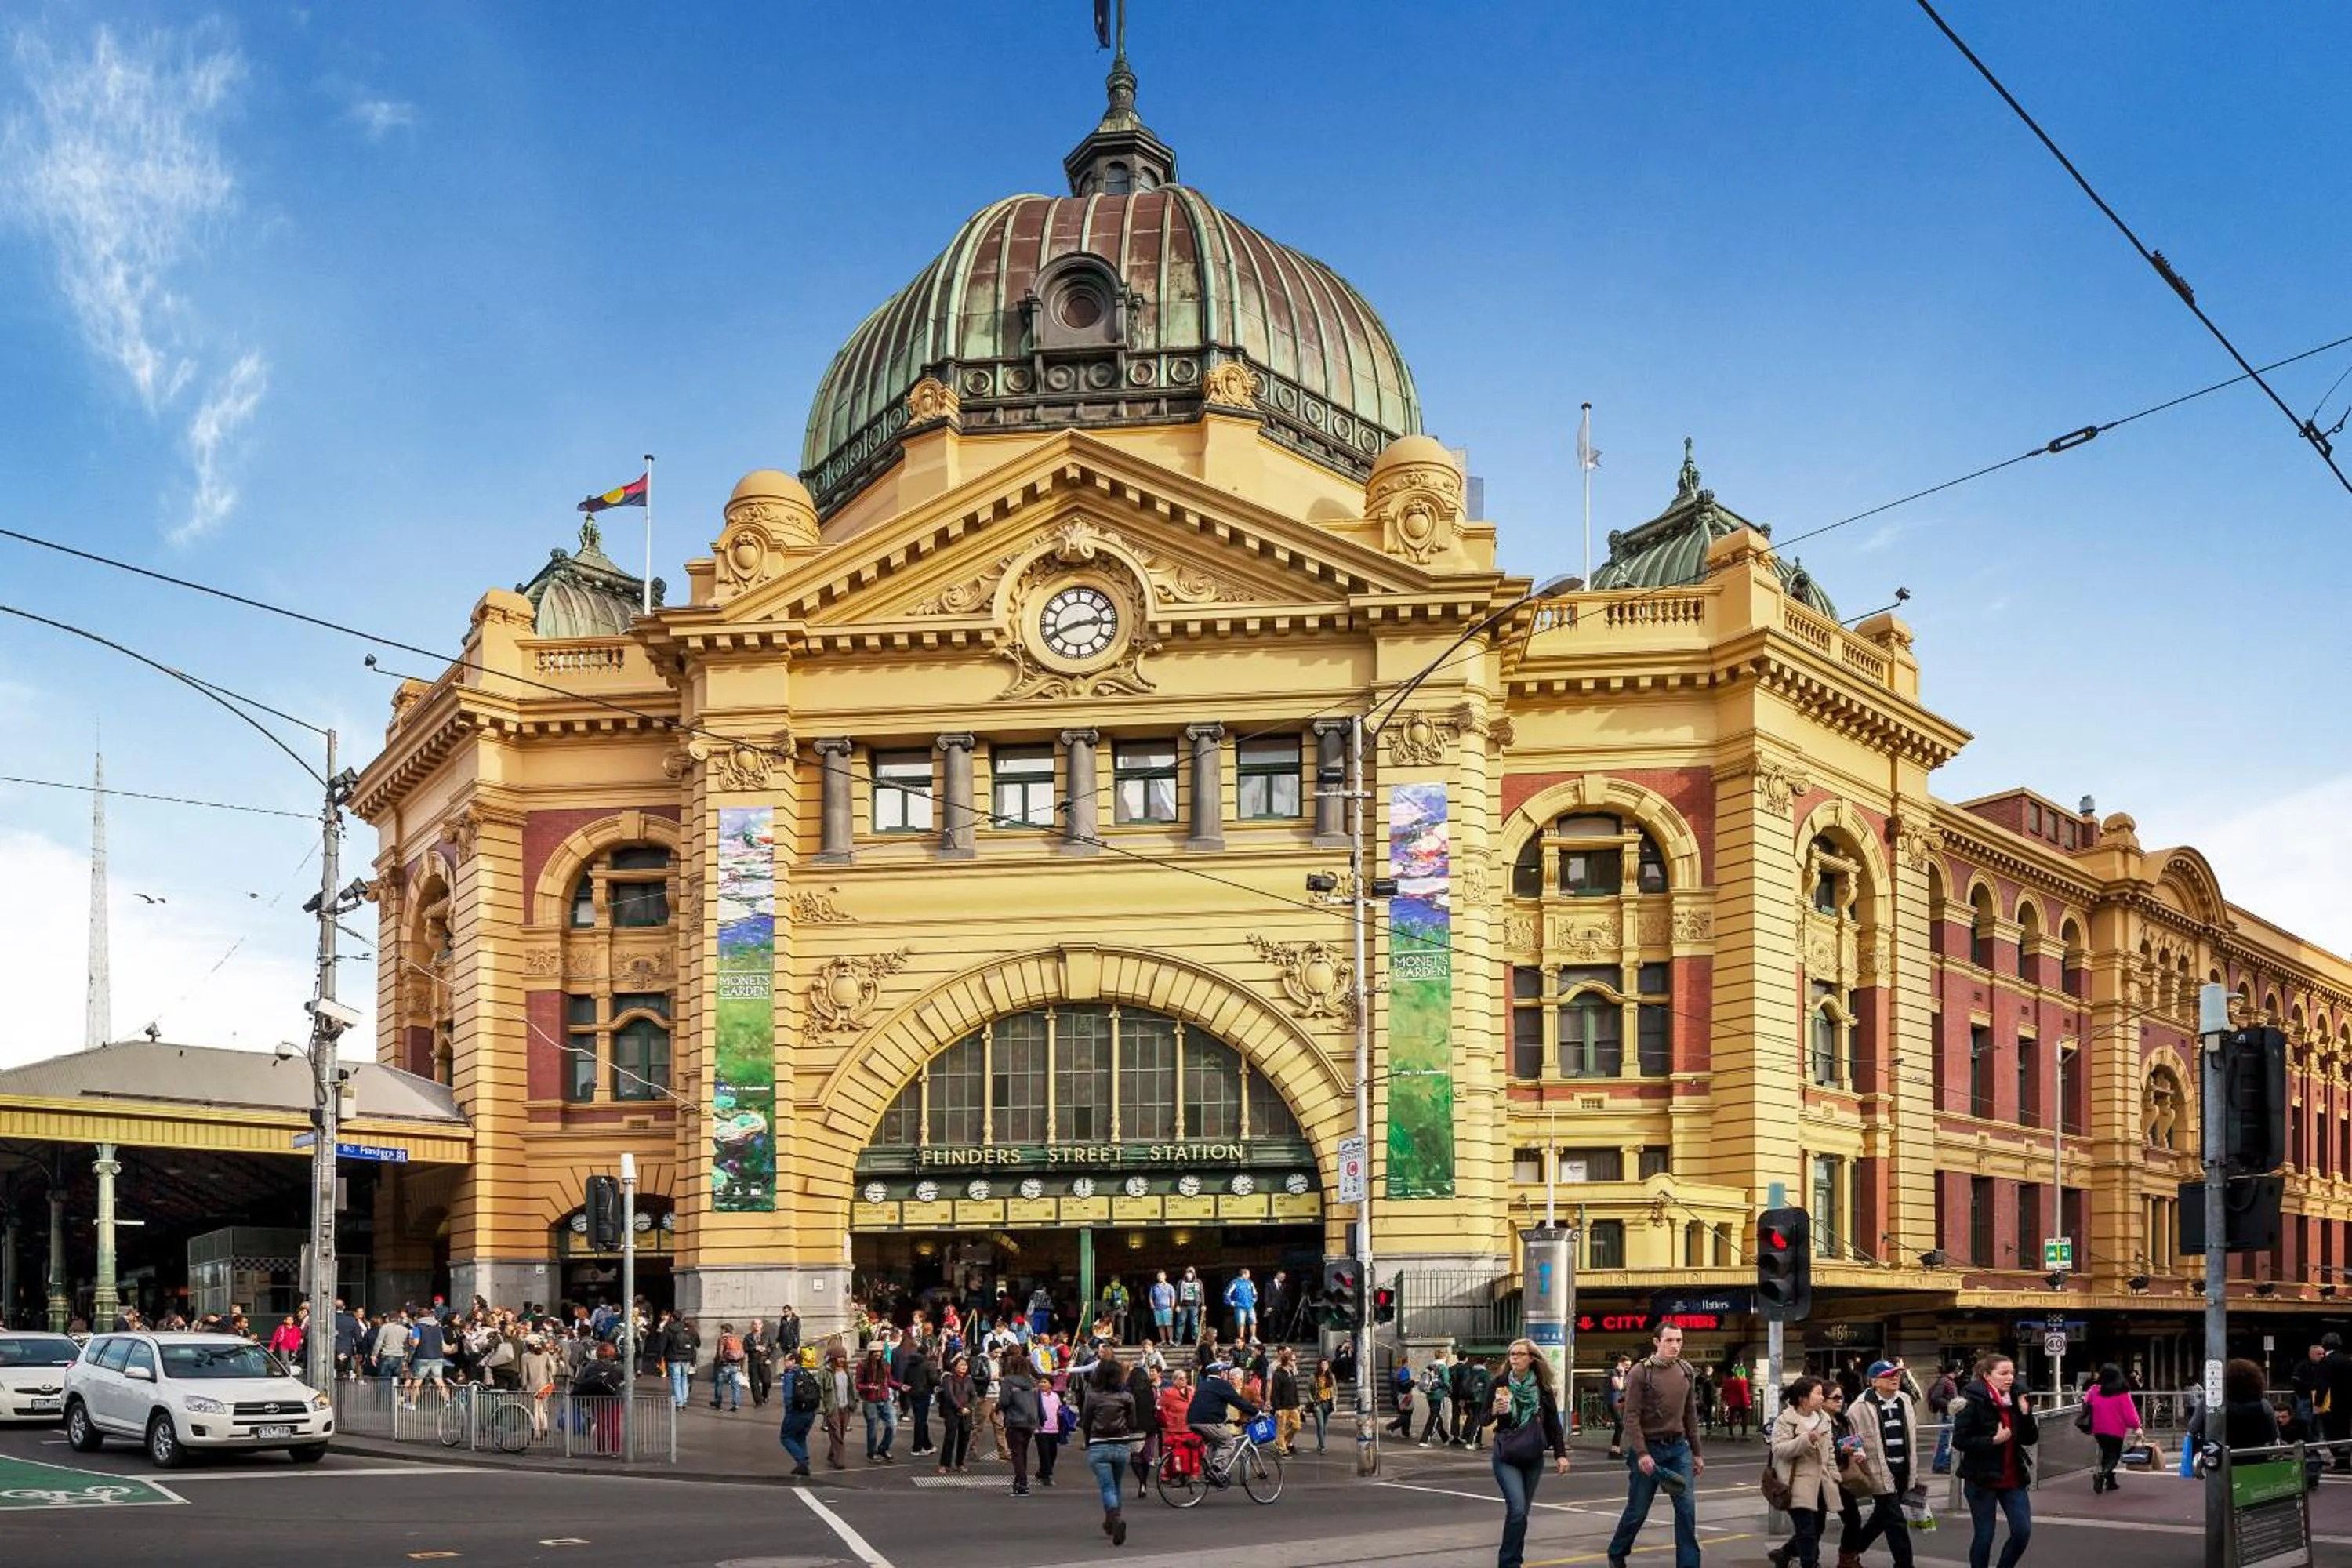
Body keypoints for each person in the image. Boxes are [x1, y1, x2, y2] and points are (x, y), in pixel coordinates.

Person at [1605, 1320, 1706, 1568]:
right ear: (1657, 1342)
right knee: (1638, 1510)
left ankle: (1689, 1565)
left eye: (1679, 1340)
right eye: (1669, 1340)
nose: (1675, 1345)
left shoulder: (1685, 1370)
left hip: (1678, 1448)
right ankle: (1617, 1552)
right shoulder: (1641, 1372)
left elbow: (1690, 1413)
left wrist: (1696, 1452)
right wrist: (1641, 1453)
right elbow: (1631, 1416)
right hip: (1649, 1449)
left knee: (1686, 1509)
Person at [1490, 1337, 1573, 1568]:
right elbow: (1482, 1418)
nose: (1514, 1357)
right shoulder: (1499, 1383)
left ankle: (1515, 1559)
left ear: (1531, 1358)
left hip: (1533, 1455)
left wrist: (1560, 1454)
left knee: (1522, 1515)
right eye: (1511, 1354)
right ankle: (1508, 1563)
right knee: (1516, 1510)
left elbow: (1554, 1425)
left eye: (1519, 1354)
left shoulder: (1543, 1389)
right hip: (1506, 1455)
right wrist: (1493, 1411)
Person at [1951, 1352, 2038, 1568]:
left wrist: (2026, 1414)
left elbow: (2030, 1438)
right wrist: (1993, 1440)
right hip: (1982, 1478)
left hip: (2013, 1478)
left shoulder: (2017, 1398)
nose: (2010, 1378)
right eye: (2003, 1373)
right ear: (1987, 1375)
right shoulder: (1971, 1401)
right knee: (1985, 1535)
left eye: (2012, 1373)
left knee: (2022, 1531)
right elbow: (1960, 1440)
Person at [1844, 1360, 1918, 1568]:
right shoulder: (1859, 1407)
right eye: (1889, 1375)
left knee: (1881, 1518)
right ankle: (1904, 1564)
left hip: (1903, 1469)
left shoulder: (1905, 1400)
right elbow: (1850, 1436)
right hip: (1878, 1471)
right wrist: (1856, 1450)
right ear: (1875, 1381)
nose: (1895, 1378)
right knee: (1896, 1522)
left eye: (1897, 1374)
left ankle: (1850, 1552)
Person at [1768, 1377, 1842, 1568]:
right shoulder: (1786, 1421)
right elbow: (1779, 1449)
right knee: (1806, 1530)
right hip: (1796, 1485)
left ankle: (1784, 1553)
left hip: (1821, 1483)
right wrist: (1805, 1440)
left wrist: (1834, 1476)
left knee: (1817, 1528)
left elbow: (1830, 1450)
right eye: (1817, 1393)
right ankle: (1810, 1564)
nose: (1822, 1397)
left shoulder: (1823, 1418)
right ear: (1803, 1398)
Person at [1079, 1350, 1143, 1546]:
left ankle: (1114, 1519)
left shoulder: (1092, 1396)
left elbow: (1086, 1422)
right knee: (1116, 1485)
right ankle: (1113, 1520)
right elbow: (1133, 1422)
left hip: (1099, 1444)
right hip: (1121, 1444)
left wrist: (1088, 1440)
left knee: (1107, 1487)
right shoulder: (1127, 1397)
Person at [1186, 1358, 1262, 1486]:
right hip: (1208, 1421)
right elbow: (1238, 1401)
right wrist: (1257, 1413)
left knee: (1212, 1444)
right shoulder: (1222, 1384)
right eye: (1226, 1372)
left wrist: (1225, 1419)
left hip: (1192, 1420)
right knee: (1228, 1443)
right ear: (1221, 1373)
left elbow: (1210, 1404)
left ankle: (1208, 1465)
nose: (1227, 1375)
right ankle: (1215, 1470)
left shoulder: (1203, 1384)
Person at [2082, 1363, 2143, 1495]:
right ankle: (2102, 1475)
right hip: (2116, 1429)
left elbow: (2086, 1402)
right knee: (2114, 1456)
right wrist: (2136, 1426)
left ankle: (2111, 1482)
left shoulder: (2094, 1389)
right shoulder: (2122, 1392)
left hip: (2098, 1428)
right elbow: (2130, 1413)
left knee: (2106, 1453)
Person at [999, 1348, 1042, 1497]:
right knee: (1022, 1451)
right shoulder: (1032, 1381)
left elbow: (1004, 1401)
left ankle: (1022, 1483)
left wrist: (998, 1408)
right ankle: (1019, 1482)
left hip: (1014, 1419)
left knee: (1016, 1453)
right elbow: (1038, 1400)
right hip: (1030, 1419)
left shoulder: (1008, 1381)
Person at [779, 1348, 822, 1478]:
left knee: (786, 1437)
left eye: (786, 1360)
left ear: (793, 1361)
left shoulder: (790, 1375)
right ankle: (803, 1464)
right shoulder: (806, 1373)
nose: (784, 1363)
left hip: (796, 1411)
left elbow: (788, 1397)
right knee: (800, 1437)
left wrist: (789, 1413)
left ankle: (802, 1461)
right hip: (810, 1411)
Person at [857, 1345, 898, 1463]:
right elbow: (858, 1384)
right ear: (870, 1353)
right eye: (875, 1353)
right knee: (873, 1428)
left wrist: (900, 1386)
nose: (878, 1355)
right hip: (870, 1400)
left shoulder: (885, 1364)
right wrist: (868, 1387)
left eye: (879, 1352)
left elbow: (889, 1381)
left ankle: (883, 1448)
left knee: (892, 1425)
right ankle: (871, 1453)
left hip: (885, 1399)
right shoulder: (863, 1365)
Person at [938, 1352, 975, 1475]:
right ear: (955, 1366)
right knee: (950, 1438)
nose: (964, 1367)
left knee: (964, 1439)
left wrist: (968, 1407)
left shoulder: (969, 1380)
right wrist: (959, 1408)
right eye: (961, 1365)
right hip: (952, 1412)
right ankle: (944, 1464)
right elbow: (949, 1396)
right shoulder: (949, 1378)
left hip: (966, 1413)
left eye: (965, 1365)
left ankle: (960, 1463)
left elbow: (973, 1396)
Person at [820, 1345, 856, 1471]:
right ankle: (839, 1461)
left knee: (841, 1433)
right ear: (833, 1358)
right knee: (836, 1433)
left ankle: (832, 1455)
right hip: (832, 1407)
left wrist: (854, 1400)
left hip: (845, 1407)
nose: (841, 1360)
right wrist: (822, 1407)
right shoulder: (825, 1372)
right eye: (839, 1357)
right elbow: (820, 1390)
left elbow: (851, 1389)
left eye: (843, 1357)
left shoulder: (848, 1372)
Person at [904, 1344, 940, 1456]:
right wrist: (940, 1379)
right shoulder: (929, 1364)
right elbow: (933, 1380)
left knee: (920, 1420)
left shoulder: (910, 1364)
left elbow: (905, 1377)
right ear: (927, 1352)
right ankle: (917, 1447)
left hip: (913, 1393)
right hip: (924, 1393)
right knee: (921, 1421)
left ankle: (927, 1445)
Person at [1927, 1361, 1962, 1474]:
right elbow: (1936, 1397)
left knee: (1946, 1440)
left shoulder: (1947, 1381)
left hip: (1949, 1413)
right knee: (1946, 1440)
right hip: (1948, 1414)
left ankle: (1942, 1464)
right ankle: (1941, 1465)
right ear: (1956, 1369)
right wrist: (1951, 1404)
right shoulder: (1945, 1381)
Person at [1454, 1351, 1494, 1448]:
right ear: (1485, 1363)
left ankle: (1477, 1441)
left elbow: (1463, 1384)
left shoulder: (1469, 1370)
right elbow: (1489, 1388)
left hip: (1468, 1398)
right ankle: (1470, 1442)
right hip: (1480, 1399)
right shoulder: (1485, 1373)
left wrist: (1463, 1398)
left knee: (1473, 1418)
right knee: (1477, 1420)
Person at [1270, 1346, 1304, 1456]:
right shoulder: (1278, 1373)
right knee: (1281, 1428)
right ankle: (1282, 1448)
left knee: (1297, 1426)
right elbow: (1275, 1391)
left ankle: (1281, 1440)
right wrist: (1277, 1408)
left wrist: (1298, 1404)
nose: (1294, 1362)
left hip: (1293, 1404)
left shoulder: (1291, 1373)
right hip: (1283, 1406)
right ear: (1287, 1361)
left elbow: (1294, 1389)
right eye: (1293, 1360)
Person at [1421, 1347, 1454, 1444]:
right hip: (1438, 1394)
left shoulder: (1430, 1366)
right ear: (1444, 1356)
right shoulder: (1443, 1367)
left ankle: (1445, 1438)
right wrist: (1450, 1390)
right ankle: (1425, 1439)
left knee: (1435, 1415)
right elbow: (1446, 1381)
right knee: (1434, 1417)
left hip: (1429, 1393)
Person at [711, 1322, 746, 1412]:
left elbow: (719, 1353)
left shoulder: (722, 1339)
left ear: (724, 1330)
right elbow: (743, 1354)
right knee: (735, 1385)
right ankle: (736, 1404)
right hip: (735, 1364)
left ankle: (718, 1403)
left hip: (724, 1365)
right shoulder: (736, 1338)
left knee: (719, 1384)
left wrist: (716, 1362)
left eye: (721, 1329)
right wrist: (741, 1367)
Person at [1607, 1353, 1632, 1457]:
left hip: (1619, 1400)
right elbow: (1618, 1387)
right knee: (1620, 1425)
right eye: (1626, 1365)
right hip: (1613, 1401)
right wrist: (1622, 1375)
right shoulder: (1614, 1372)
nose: (1628, 1368)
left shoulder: (1622, 1373)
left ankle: (1615, 1449)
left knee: (1620, 1425)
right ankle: (1614, 1450)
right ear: (1620, 1363)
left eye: (1629, 1366)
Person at [1311, 1357, 1338, 1454]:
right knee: (1321, 1426)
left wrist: (1334, 1401)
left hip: (1328, 1403)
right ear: (1319, 1366)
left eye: (1326, 1364)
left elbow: (1335, 1390)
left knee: (1324, 1427)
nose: (1324, 1366)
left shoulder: (1331, 1376)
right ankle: (1322, 1446)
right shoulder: (1314, 1377)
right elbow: (1309, 1390)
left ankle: (1320, 1443)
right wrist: (1312, 1401)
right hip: (1318, 1403)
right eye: (1322, 1364)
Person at [745, 1318, 773, 1408]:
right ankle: (758, 1401)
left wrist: (770, 1358)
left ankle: (765, 1395)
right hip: (753, 1362)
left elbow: (773, 1348)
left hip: (764, 1361)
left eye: (759, 1324)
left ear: (762, 1325)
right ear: (752, 1326)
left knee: (767, 1381)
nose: (757, 1326)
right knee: (754, 1383)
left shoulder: (767, 1335)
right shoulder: (748, 1337)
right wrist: (754, 1348)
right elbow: (745, 1349)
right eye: (755, 1324)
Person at [1225, 1268, 1258, 1341]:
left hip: (1250, 1306)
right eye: (1248, 1274)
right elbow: (1227, 1294)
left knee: (1253, 1321)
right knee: (1241, 1322)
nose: (1250, 1275)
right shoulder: (1234, 1283)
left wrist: (1253, 1301)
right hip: (1239, 1306)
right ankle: (1241, 1338)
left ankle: (1253, 1337)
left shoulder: (1250, 1282)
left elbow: (1255, 1293)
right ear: (1244, 1274)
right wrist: (1232, 1303)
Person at [1389, 1353, 1417, 1438]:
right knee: (1407, 1413)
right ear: (1406, 1362)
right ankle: (1392, 1427)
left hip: (1397, 1394)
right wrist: (1412, 1383)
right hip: (1404, 1395)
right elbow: (1405, 1384)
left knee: (1406, 1413)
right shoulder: (1404, 1371)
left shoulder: (1395, 1371)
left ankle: (1405, 1433)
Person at [1721, 1363, 1751, 1441]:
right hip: (1742, 1402)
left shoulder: (1728, 1381)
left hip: (1732, 1403)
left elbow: (1724, 1392)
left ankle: (1730, 1434)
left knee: (1731, 1418)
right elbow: (1744, 1393)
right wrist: (1748, 1403)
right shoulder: (1743, 1382)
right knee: (1744, 1418)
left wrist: (1725, 1401)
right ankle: (1744, 1435)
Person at [1176, 1266, 1203, 1345]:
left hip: (1194, 1305)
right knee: (1180, 1323)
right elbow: (1177, 1294)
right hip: (1183, 1305)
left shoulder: (1198, 1282)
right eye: (1188, 1272)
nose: (1190, 1273)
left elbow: (1201, 1293)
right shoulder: (1181, 1282)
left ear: (1194, 1273)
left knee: (1194, 1323)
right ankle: (1178, 1340)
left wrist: (1203, 1304)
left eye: (1192, 1272)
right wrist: (1177, 1305)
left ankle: (1196, 1340)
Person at [1148, 1271, 1175, 1343]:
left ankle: (1170, 1340)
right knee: (1160, 1325)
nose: (1160, 1277)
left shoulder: (1170, 1286)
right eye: (1158, 1276)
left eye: (1161, 1276)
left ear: (1165, 1277)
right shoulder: (1154, 1287)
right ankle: (1163, 1340)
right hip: (1157, 1309)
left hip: (1167, 1308)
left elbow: (1173, 1297)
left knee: (1169, 1325)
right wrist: (1152, 1305)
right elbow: (1151, 1297)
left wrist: (1172, 1307)